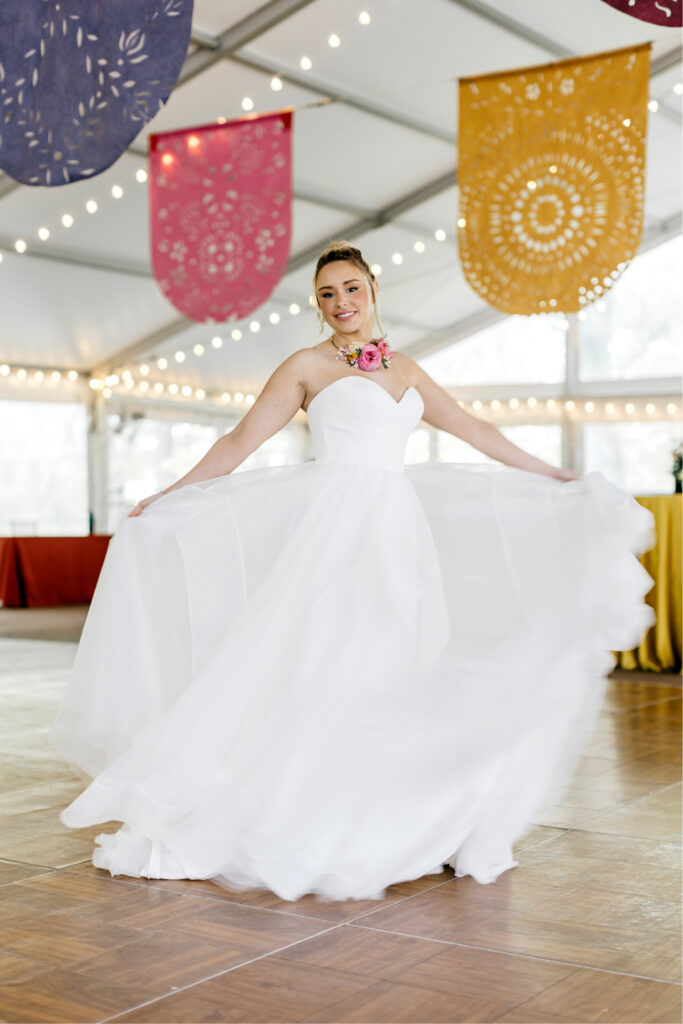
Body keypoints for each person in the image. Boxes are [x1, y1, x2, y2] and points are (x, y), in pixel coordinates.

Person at [51, 240, 655, 903]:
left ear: (372, 289)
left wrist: (551, 474)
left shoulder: (406, 369)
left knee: (396, 662)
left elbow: (476, 431)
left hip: (396, 535)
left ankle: (389, 814)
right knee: (323, 659)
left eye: (350, 289)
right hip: (331, 531)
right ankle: (304, 815)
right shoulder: (304, 366)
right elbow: (238, 442)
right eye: (326, 295)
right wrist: (171, 494)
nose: (340, 303)